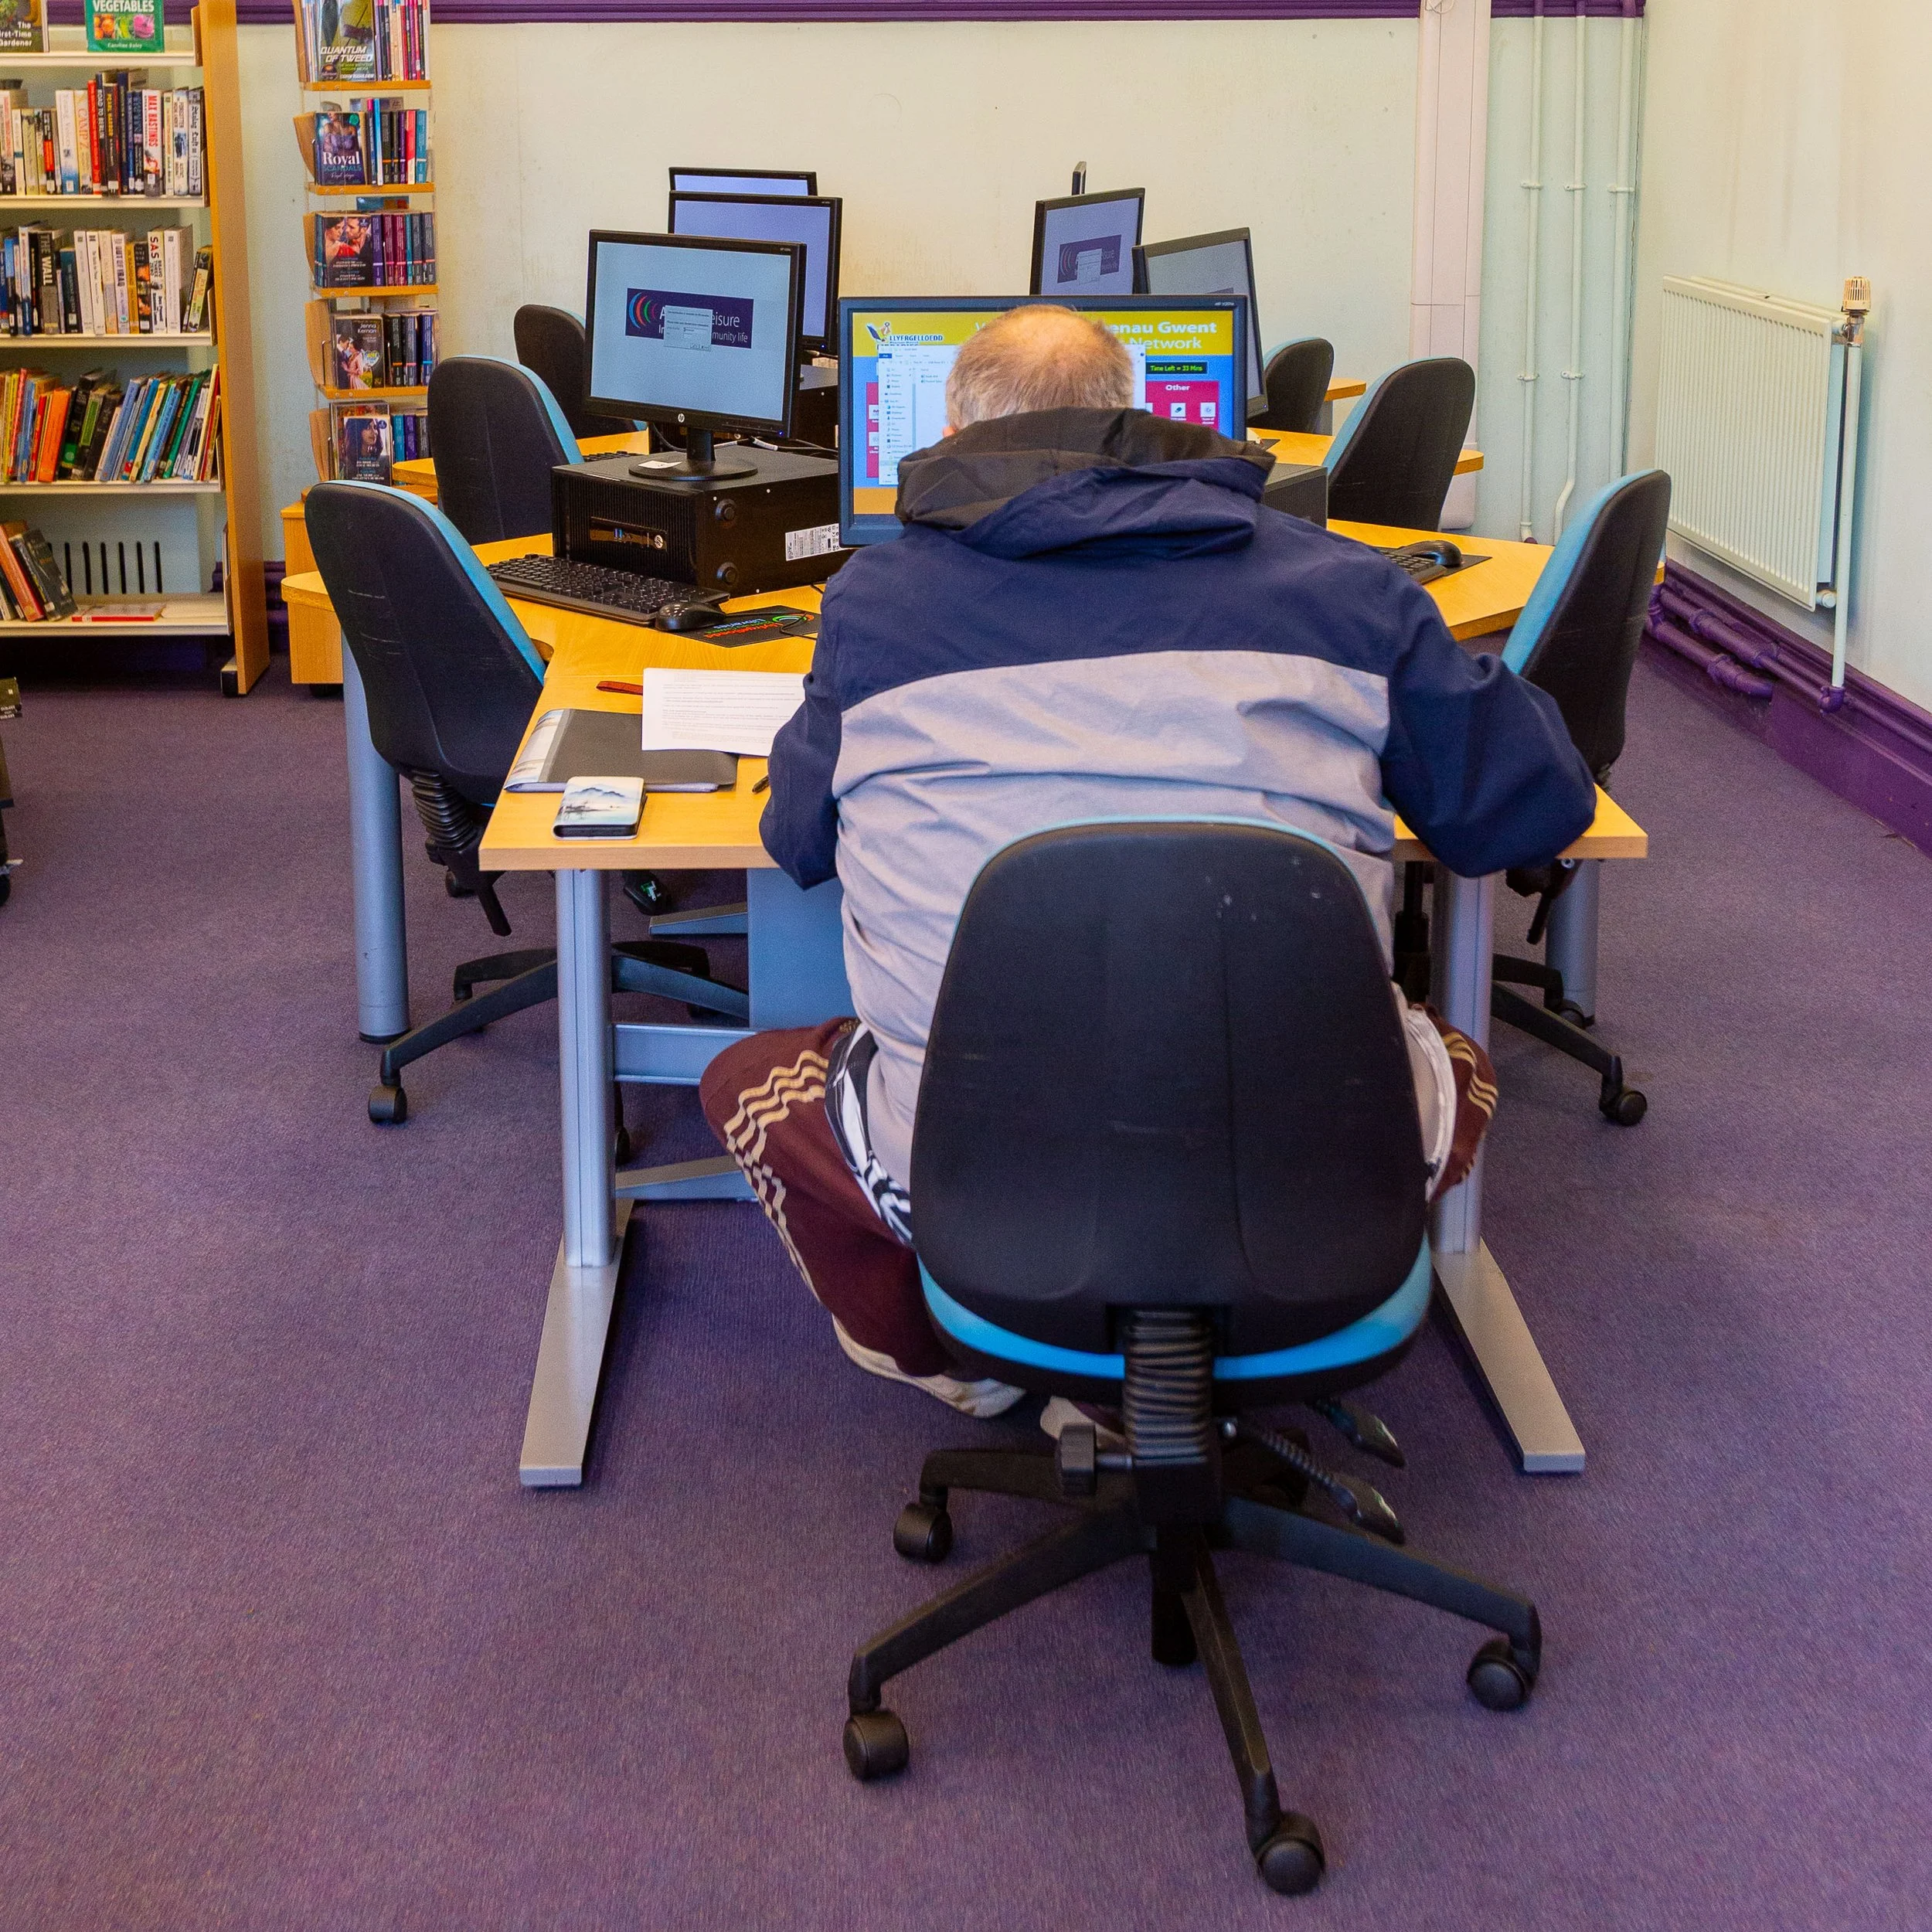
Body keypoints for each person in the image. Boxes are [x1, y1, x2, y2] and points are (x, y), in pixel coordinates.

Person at [701, 304, 1595, 1423]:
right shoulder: (1352, 592)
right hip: (1308, 1176)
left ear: (955, 430)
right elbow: (1528, 812)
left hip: (984, 1181)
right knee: (1456, 1055)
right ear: (1136, 415)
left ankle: (963, 1363)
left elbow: (797, 840)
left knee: (744, 1085)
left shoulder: (875, 607)